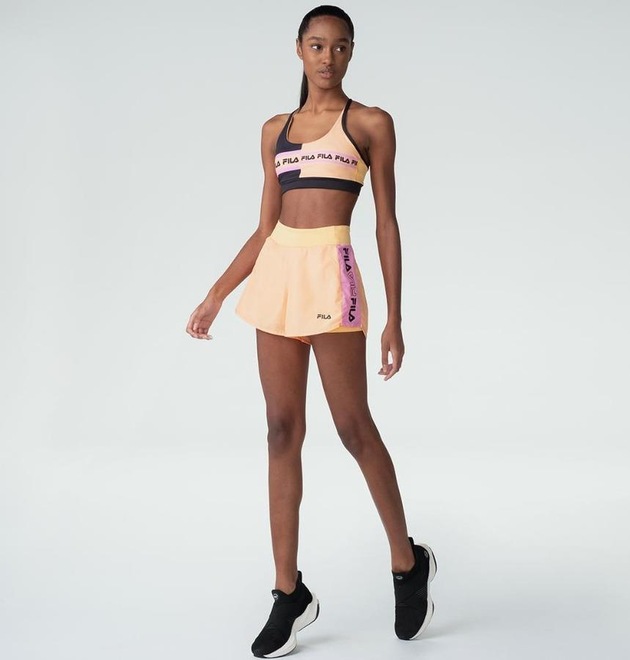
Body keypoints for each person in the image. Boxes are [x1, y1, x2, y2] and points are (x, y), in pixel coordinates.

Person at [186, 5, 436, 657]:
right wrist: (216, 293)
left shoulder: (370, 123)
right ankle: (287, 590)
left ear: (351, 53)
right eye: (318, 45)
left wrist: (395, 316)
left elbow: (386, 222)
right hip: (277, 275)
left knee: (353, 428)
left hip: (331, 275)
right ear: (299, 49)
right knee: (280, 430)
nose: (329, 57)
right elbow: (265, 226)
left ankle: (408, 562)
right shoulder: (275, 130)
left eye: (341, 46)